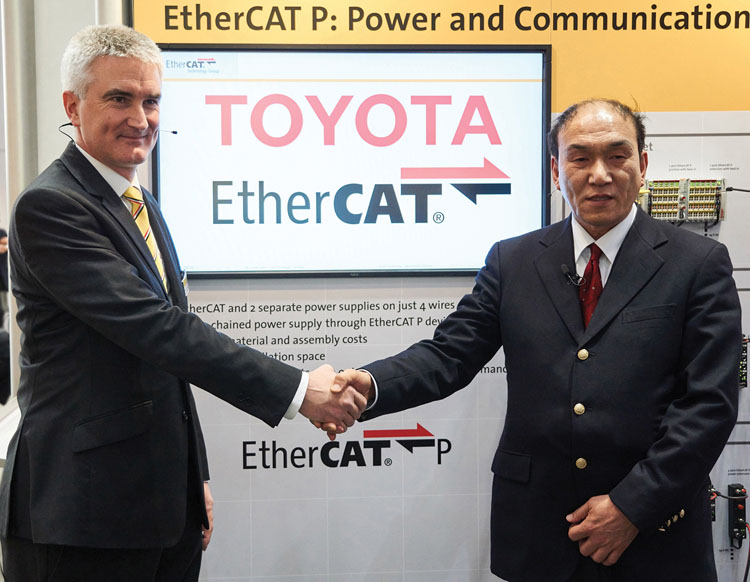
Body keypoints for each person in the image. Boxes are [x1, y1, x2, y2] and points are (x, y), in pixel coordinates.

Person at [0, 24, 366, 582]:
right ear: (73, 106)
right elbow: (158, 328)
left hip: (159, 504)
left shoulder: (137, 201)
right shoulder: (52, 206)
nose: (140, 118)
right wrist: (298, 390)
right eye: (119, 98)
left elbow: (165, 359)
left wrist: (193, 478)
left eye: (151, 101)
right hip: (81, 517)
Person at [329, 99, 741, 581]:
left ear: (643, 163)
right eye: (580, 158)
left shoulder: (698, 264)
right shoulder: (513, 261)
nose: (600, 175)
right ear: (556, 170)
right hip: (539, 534)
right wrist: (369, 384)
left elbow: (709, 405)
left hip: (654, 536)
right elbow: (449, 354)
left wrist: (632, 506)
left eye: (617, 156)